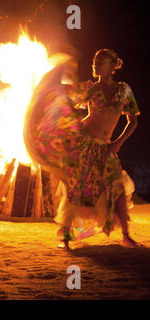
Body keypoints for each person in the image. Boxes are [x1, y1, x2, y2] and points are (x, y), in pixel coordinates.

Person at [24, 49, 141, 249]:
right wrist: (55, 75)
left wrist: (118, 142)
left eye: (101, 62)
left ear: (113, 66)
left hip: (106, 146)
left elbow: (133, 121)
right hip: (84, 143)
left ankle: (126, 235)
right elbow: (63, 93)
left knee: (116, 187)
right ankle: (66, 237)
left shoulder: (124, 90)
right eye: (95, 61)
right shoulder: (90, 89)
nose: (95, 65)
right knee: (76, 187)